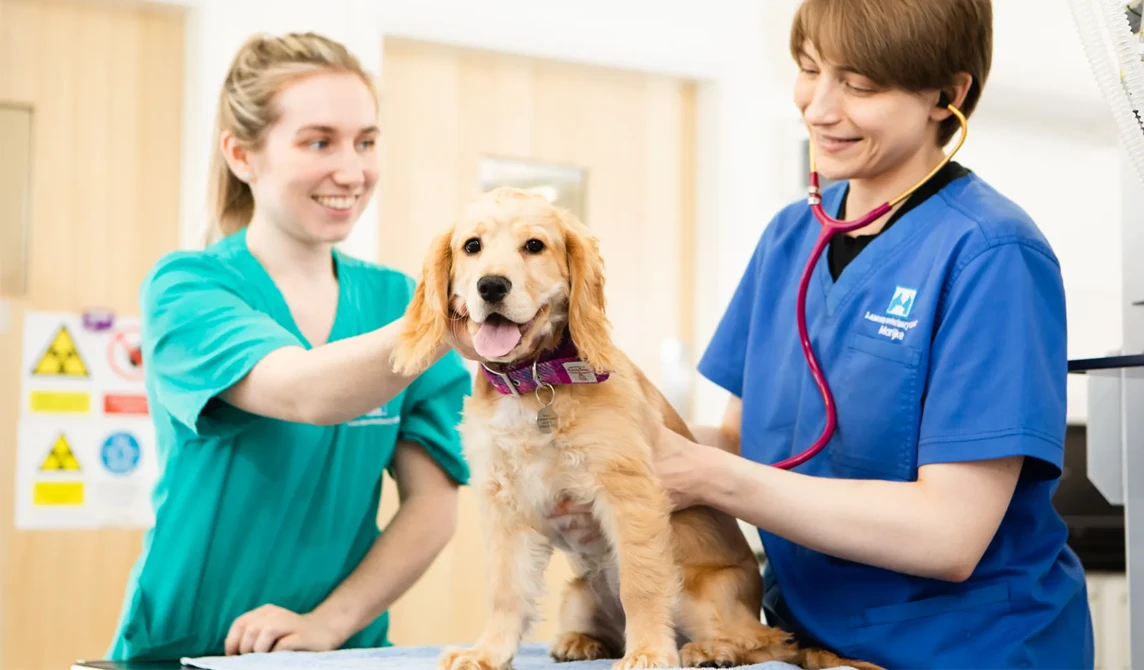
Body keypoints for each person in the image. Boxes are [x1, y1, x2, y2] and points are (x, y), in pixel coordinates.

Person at [549, 1, 1095, 667]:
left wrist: (706, 477)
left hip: (967, 647)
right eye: (810, 70)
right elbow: (742, 442)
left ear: (946, 96)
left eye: (860, 85)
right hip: (808, 643)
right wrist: (614, 464)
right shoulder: (790, 237)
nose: (819, 107)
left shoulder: (991, 252)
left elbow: (949, 536)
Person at [106, 32, 472, 660]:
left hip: (342, 650)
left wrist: (329, 624)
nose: (352, 171)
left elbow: (433, 505)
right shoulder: (187, 287)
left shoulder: (397, 302)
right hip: (192, 646)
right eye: (318, 142)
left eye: (366, 141)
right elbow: (306, 390)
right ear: (242, 155)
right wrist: (453, 313)